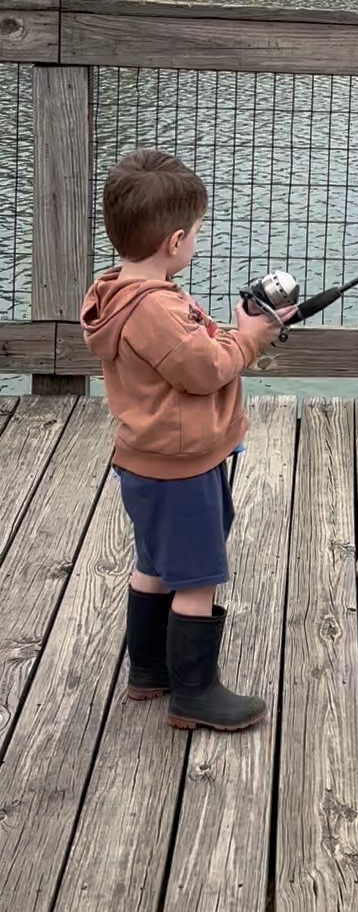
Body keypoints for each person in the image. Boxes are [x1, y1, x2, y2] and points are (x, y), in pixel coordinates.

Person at [81, 149, 292, 732]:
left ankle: (149, 670)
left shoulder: (123, 292)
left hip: (146, 462)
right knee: (197, 578)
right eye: (195, 233)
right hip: (180, 467)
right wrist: (247, 340)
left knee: (154, 564)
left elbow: (186, 351)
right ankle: (194, 695)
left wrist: (234, 331)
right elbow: (203, 371)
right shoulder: (155, 310)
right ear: (174, 240)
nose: (195, 243)